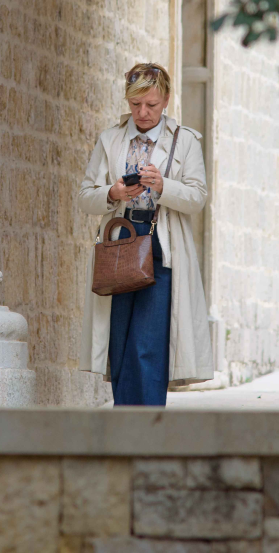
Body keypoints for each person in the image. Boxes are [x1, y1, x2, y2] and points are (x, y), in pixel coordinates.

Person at [76, 62, 213, 405]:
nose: (143, 112)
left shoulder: (185, 141)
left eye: (151, 105)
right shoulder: (110, 139)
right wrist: (113, 193)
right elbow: (85, 196)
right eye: (136, 104)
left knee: (147, 345)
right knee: (120, 341)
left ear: (166, 99)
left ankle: (149, 428)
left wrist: (164, 186)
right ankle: (125, 424)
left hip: (161, 245)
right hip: (119, 241)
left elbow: (197, 197)